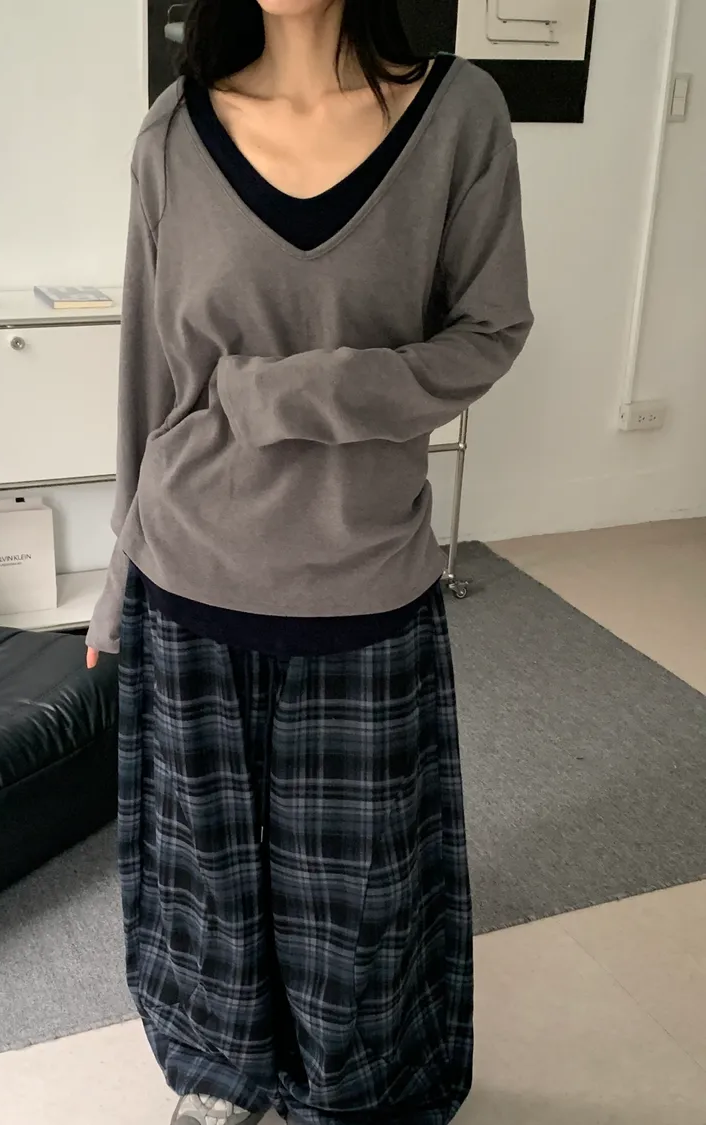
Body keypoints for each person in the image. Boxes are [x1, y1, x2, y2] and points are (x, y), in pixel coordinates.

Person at [86, 1, 533, 1122]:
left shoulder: (458, 115)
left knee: (360, 895)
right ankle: (224, 1076)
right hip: (188, 571)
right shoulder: (173, 131)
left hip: (363, 577)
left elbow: (490, 331)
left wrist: (303, 392)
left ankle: (351, 1095)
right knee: (207, 881)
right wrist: (116, 576)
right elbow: (149, 374)